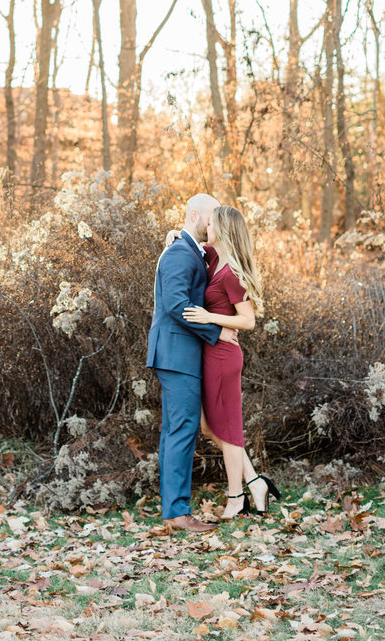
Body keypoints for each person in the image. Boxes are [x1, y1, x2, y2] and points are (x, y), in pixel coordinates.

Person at [146, 193, 241, 534]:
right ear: (195, 216)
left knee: (178, 430)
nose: (215, 222)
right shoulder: (179, 253)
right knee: (182, 430)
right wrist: (217, 331)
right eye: (212, 215)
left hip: (181, 353)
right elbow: (175, 304)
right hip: (176, 354)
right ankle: (177, 512)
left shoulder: (192, 251)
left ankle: (174, 510)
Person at [183, 205, 281, 519]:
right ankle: (255, 482)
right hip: (212, 353)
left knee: (227, 430)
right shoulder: (214, 259)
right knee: (211, 426)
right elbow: (193, 246)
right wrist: (175, 235)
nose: (206, 228)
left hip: (224, 358)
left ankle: (236, 498)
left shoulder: (232, 274)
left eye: (210, 224)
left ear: (223, 230)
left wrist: (210, 318)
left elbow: (248, 320)